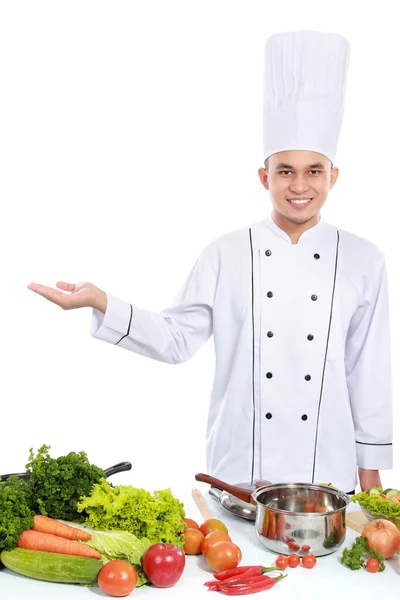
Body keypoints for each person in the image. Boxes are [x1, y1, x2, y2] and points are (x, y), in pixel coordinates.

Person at [28, 31, 392, 494]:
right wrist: (101, 301)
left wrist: (373, 482)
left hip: (328, 479)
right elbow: (178, 340)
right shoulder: (226, 253)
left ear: (333, 177)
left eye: (313, 171)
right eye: (285, 171)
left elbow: (368, 371)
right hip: (240, 473)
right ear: (265, 176)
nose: (299, 185)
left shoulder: (365, 259)